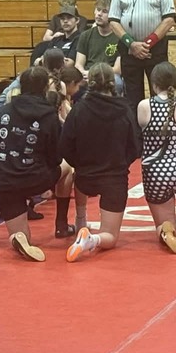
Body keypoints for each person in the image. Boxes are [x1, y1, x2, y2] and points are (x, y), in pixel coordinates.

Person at [62, 63, 140, 259]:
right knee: (110, 237)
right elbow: (135, 147)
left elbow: (65, 145)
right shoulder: (124, 110)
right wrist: (120, 163)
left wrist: (80, 164)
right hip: (114, 178)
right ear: (114, 84)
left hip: (85, 177)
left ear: (90, 83)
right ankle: (92, 239)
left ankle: (81, 219)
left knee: (76, 174)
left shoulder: (78, 110)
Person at [0, 67, 62, 261]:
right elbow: (56, 157)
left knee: (23, 238)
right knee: (67, 168)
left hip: (4, 181)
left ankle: (18, 236)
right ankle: (64, 222)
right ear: (45, 88)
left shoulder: (4, 110)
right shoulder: (50, 115)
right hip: (34, 179)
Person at [136, 62, 176, 244]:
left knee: (166, 224)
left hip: (155, 175)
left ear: (153, 84)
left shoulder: (143, 106)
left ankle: (167, 232)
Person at [108, 0, 176, 109]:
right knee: (132, 97)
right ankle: (135, 125)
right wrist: (131, 44)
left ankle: (159, 124)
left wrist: (147, 44)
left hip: (154, 49)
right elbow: (113, 21)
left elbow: (169, 19)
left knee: (159, 93)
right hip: (129, 49)